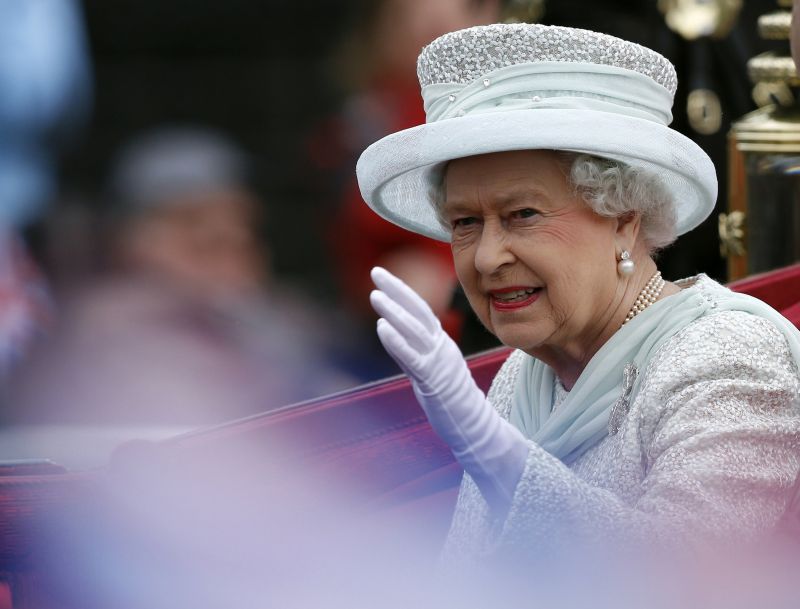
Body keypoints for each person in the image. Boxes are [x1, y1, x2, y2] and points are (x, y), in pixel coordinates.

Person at [356, 23, 800, 561]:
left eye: (523, 214)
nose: (487, 257)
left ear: (624, 220)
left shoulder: (727, 356)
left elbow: (683, 577)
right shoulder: (524, 376)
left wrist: (499, 458)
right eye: (465, 222)